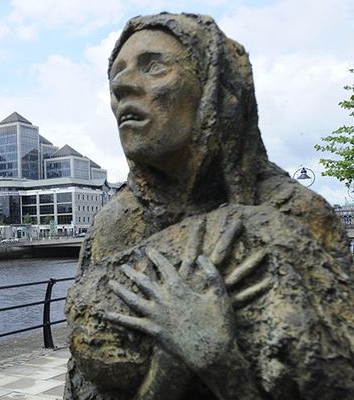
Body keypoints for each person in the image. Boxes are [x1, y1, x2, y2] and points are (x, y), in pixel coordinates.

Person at [64, 13, 354, 400]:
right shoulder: (112, 225)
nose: (122, 85)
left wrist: (221, 363)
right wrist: (170, 364)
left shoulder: (297, 215)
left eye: (153, 67)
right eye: (116, 73)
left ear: (215, 90)